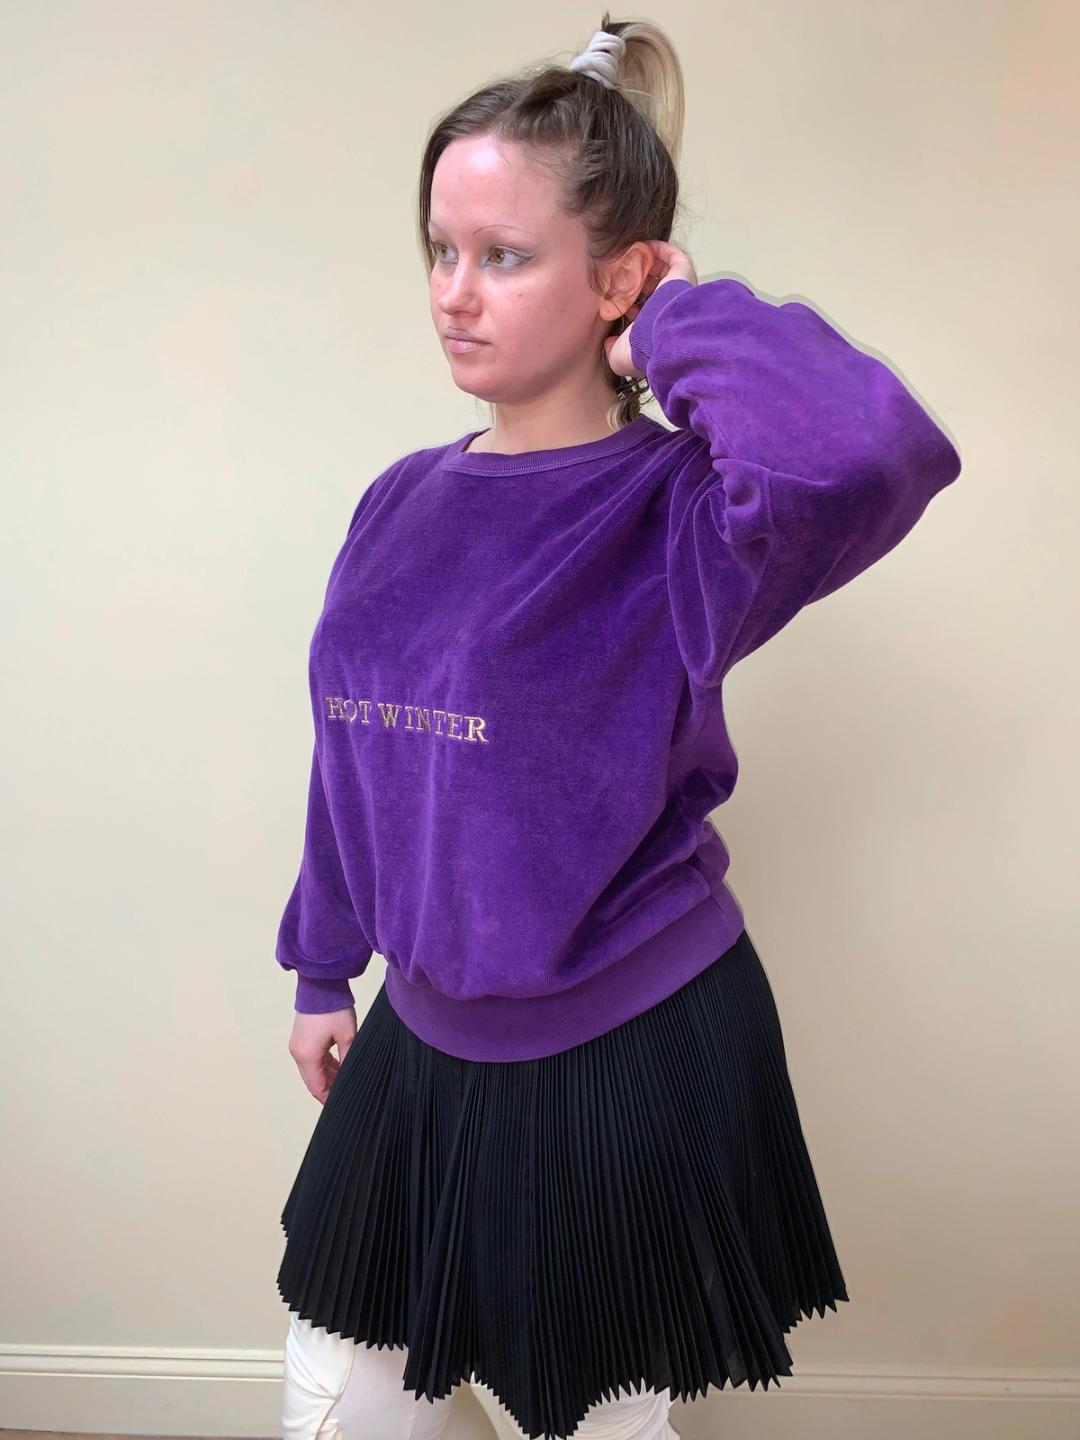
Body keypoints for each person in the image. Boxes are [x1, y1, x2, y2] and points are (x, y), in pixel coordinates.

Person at [274, 13, 962, 1440]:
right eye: (440, 250)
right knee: (336, 1395)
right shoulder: (400, 498)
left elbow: (870, 448)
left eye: (504, 255)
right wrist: (323, 964)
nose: (454, 294)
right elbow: (358, 754)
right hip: (424, 1034)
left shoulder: (683, 516)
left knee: (583, 1424)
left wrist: (682, 319)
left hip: (628, 1047)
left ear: (617, 278)